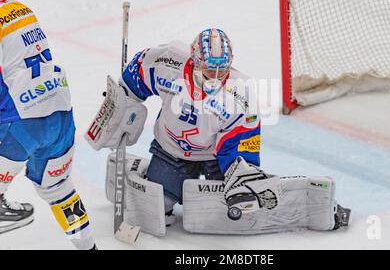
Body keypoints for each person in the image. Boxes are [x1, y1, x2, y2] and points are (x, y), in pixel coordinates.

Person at [86, 28, 350, 230]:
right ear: (194, 60)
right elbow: (136, 75)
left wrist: (241, 174)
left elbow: (241, 141)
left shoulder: (241, 93)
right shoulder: (167, 61)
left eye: (221, 70)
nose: (215, 77)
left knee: (228, 212)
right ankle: (149, 172)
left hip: (213, 157)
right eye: (208, 69)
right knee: (159, 206)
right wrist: (121, 105)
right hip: (171, 151)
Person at [0, 0, 96, 249]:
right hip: (60, 116)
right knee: (58, 189)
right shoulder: (21, 9)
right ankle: (88, 246)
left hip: (20, 124)